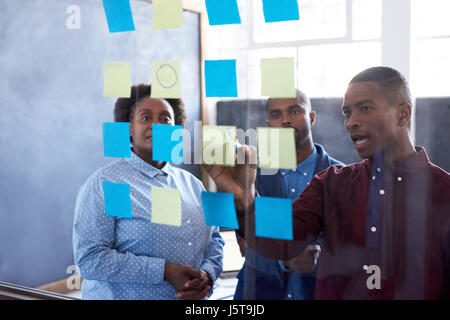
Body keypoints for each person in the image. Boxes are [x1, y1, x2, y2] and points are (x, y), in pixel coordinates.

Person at [205, 67, 450, 299]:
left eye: (364, 108)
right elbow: (282, 241)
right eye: (347, 113)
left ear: (403, 113)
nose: (351, 121)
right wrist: (243, 198)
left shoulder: (444, 191)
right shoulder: (332, 182)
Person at [73, 84, 224, 300]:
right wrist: (164, 271)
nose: (157, 125)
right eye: (145, 118)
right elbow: (91, 259)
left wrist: (206, 276)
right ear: (129, 129)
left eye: (165, 119)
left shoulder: (193, 185)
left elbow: (214, 241)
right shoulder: (109, 183)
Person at [234, 89, 343, 300]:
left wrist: (317, 260)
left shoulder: (343, 177)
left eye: (294, 111)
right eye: (276, 115)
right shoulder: (250, 176)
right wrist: (284, 260)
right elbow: (245, 245)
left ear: (311, 118)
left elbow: (350, 246)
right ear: (269, 125)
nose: (285, 120)